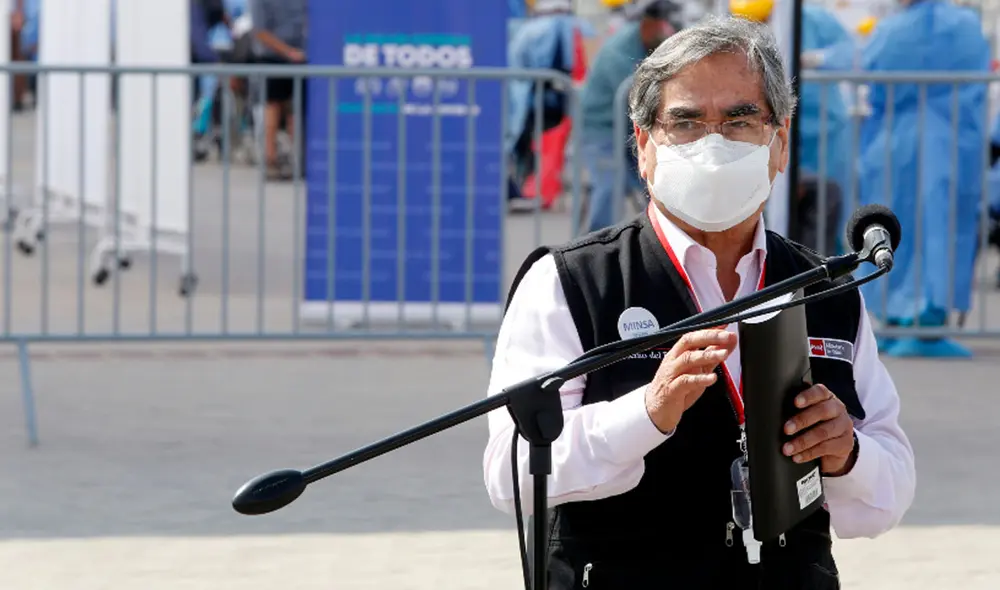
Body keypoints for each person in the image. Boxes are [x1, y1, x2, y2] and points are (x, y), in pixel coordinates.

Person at [484, 16, 915, 588]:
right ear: (644, 147)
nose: (712, 144)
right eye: (685, 122)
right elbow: (509, 474)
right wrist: (646, 413)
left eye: (739, 119)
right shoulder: (570, 282)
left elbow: (892, 490)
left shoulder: (827, 288)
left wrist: (848, 453)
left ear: (779, 142)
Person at [858, 0, 990, 357]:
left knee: (896, 226)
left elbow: (872, 79)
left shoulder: (889, 32)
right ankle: (928, 318)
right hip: (951, 140)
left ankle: (894, 317)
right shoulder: (965, 26)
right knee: (942, 229)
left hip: (896, 142)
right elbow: (977, 84)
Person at [731, 0, 856, 255]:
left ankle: (827, 278)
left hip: (824, 133)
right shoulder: (741, 23)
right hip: (772, 133)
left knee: (826, 210)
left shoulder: (813, 18)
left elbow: (851, 53)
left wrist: (819, 59)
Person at [577, 0, 681, 234]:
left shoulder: (644, 41)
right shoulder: (620, 51)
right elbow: (638, 98)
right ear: (649, 23)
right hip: (601, 127)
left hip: (624, 127)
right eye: (662, 26)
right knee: (610, 186)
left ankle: (663, 238)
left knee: (656, 181)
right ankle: (596, 250)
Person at [505, 0, 589, 211]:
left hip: (537, 98)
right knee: (546, 146)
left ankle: (532, 189)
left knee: (534, 145)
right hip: (552, 99)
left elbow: (517, 59)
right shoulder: (572, 28)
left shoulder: (530, 30)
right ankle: (535, 190)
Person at [249, 0, 308, 180]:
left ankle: (299, 160)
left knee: (297, 112)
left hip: (301, 58)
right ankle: (270, 160)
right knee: (272, 109)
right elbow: (260, 31)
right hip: (272, 58)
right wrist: (288, 51)